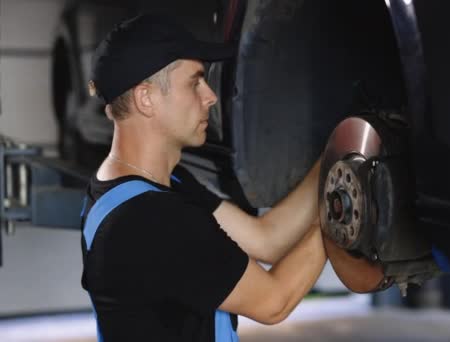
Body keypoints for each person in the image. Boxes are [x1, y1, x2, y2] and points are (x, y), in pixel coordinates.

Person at [80, 13, 327, 342]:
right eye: (194, 82)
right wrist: (343, 211)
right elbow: (274, 302)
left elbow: (265, 240)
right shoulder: (149, 219)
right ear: (146, 98)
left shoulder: (146, 185)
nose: (210, 96)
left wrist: (335, 156)